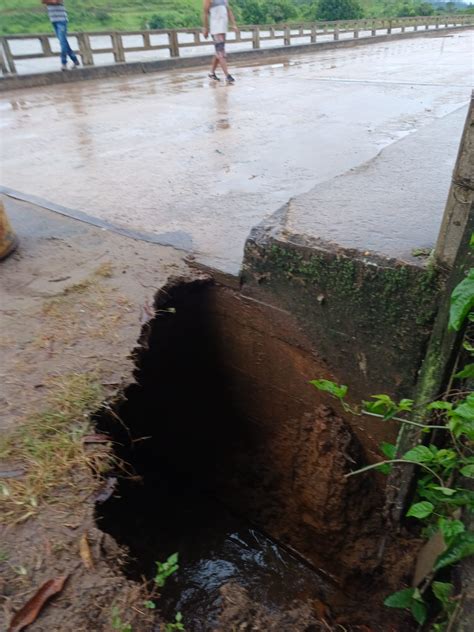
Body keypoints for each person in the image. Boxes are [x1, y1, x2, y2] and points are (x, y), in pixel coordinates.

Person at [203, 0, 238, 83]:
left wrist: (233, 24)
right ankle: (227, 75)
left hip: (223, 28)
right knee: (221, 52)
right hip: (215, 29)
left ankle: (212, 73)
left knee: (218, 52)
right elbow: (205, 13)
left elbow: (229, 11)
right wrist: (206, 28)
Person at [42, 0, 80, 71]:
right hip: (53, 20)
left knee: (62, 42)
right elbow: (43, 1)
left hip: (61, 20)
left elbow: (55, 1)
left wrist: (48, 2)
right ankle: (75, 60)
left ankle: (64, 63)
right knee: (64, 42)